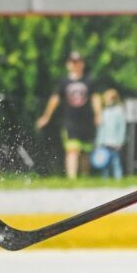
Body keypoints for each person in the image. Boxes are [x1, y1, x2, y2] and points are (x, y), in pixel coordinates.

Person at [36, 51, 102, 179]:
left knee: (85, 153)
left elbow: (95, 98)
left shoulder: (89, 80)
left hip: (86, 121)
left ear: (82, 64)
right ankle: (72, 179)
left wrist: (98, 114)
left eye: (77, 62)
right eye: (72, 62)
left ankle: (84, 178)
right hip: (70, 121)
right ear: (68, 64)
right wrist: (46, 116)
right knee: (72, 150)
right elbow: (55, 99)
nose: (75, 65)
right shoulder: (63, 82)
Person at [93, 88, 126, 180]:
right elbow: (100, 128)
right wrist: (98, 141)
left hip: (115, 142)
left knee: (115, 161)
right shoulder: (103, 112)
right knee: (104, 162)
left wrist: (120, 141)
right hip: (104, 142)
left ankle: (118, 178)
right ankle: (105, 179)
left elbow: (122, 128)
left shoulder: (119, 111)